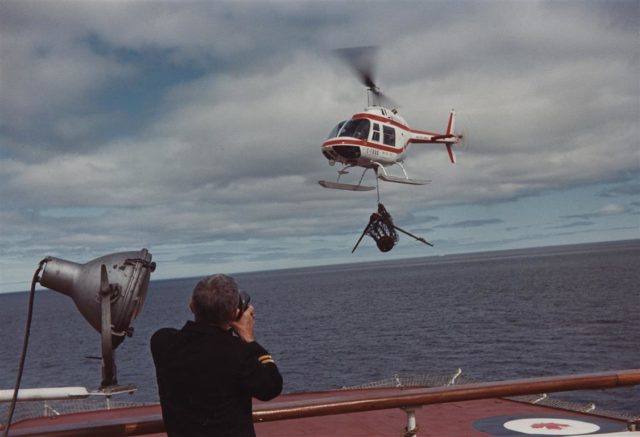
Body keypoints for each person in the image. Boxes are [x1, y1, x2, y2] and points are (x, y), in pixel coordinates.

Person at [150, 274, 283, 437]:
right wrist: (248, 338)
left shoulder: (162, 342)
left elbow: (195, 344)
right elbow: (271, 387)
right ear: (236, 313)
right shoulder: (239, 353)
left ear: (191, 306)